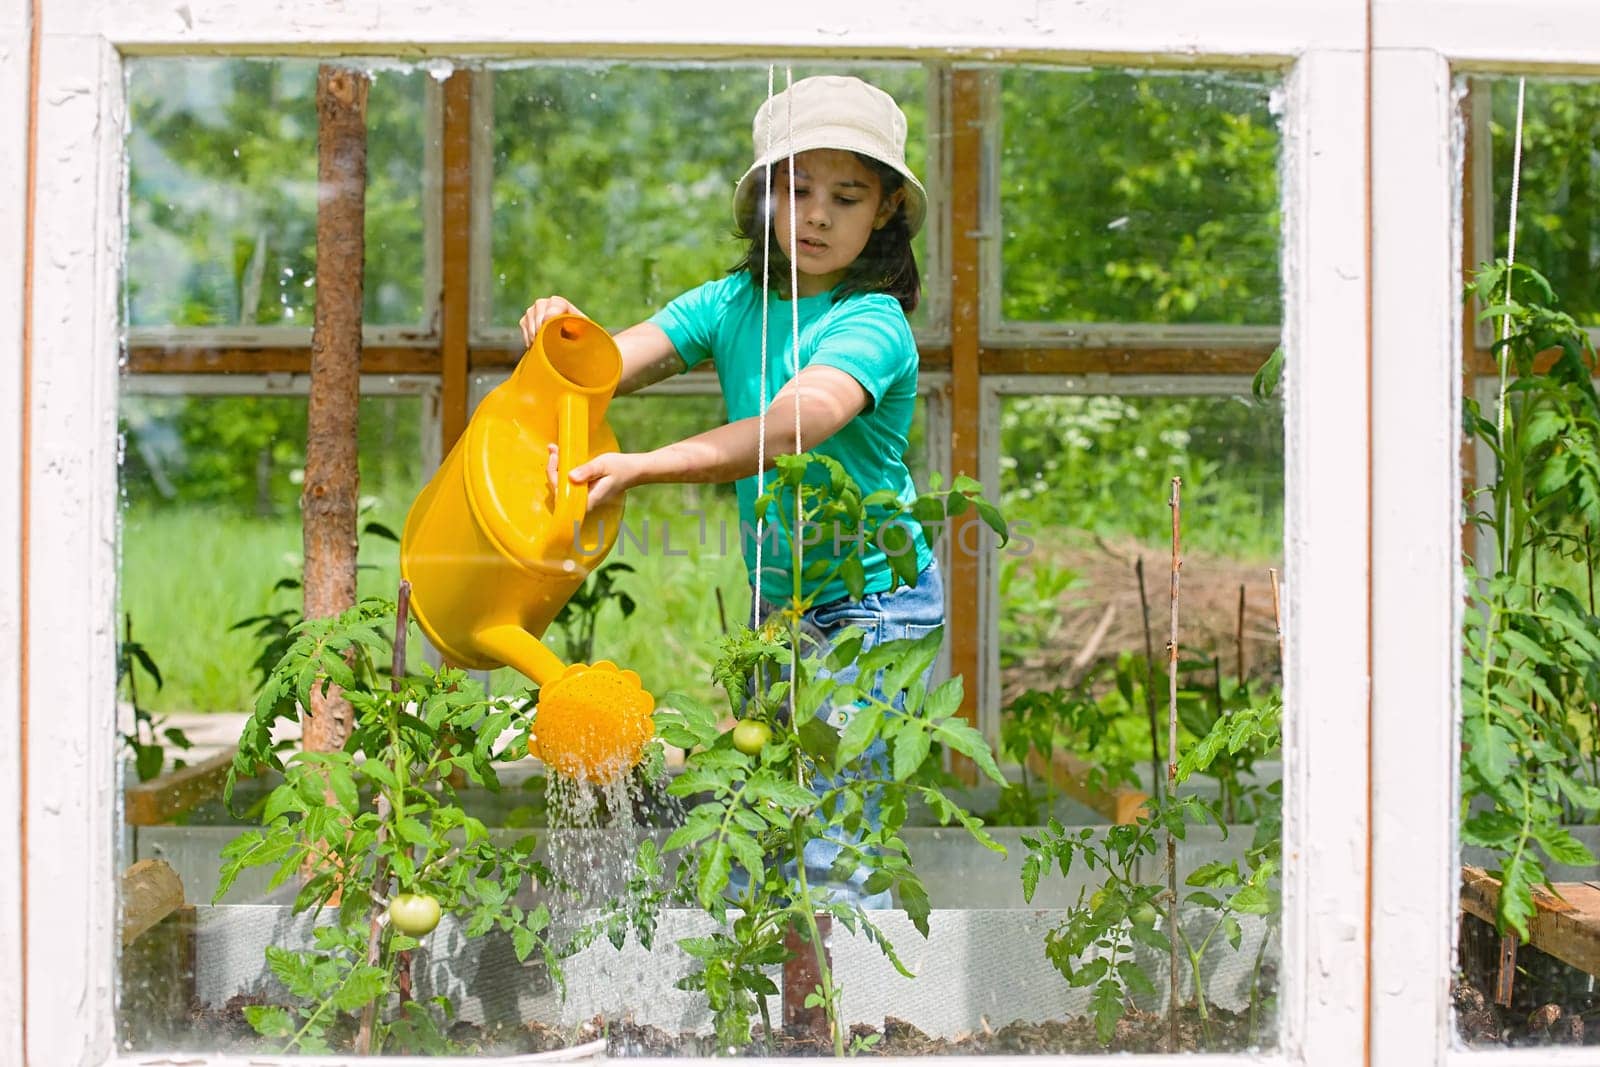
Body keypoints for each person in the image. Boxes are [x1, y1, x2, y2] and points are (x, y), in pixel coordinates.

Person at [519, 74, 943, 908]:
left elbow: (790, 425)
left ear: (885, 210)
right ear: (764, 202)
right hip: (776, 609)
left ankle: (842, 1030)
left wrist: (643, 465)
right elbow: (609, 364)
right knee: (764, 825)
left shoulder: (873, 323)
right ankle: (778, 1023)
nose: (817, 215)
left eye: (846, 196)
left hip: (874, 608)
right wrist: (560, 335)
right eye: (796, 189)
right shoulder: (731, 302)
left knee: (834, 846)